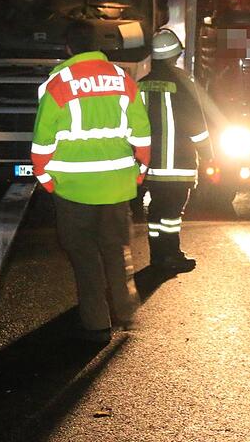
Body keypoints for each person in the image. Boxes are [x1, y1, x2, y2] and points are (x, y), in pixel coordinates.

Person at [31, 20, 152, 343]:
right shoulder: (121, 78)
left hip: (73, 189)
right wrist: (138, 172)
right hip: (117, 185)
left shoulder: (57, 84)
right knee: (115, 247)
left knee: (83, 253)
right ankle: (125, 309)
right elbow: (141, 133)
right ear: (98, 45)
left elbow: (43, 141)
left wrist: (45, 179)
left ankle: (98, 324)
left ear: (68, 48)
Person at [138, 28, 214, 273]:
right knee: (172, 214)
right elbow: (197, 126)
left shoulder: (140, 85)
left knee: (157, 211)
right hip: (179, 165)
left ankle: (158, 256)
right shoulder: (183, 82)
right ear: (175, 55)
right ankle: (171, 255)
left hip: (150, 166)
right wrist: (208, 154)